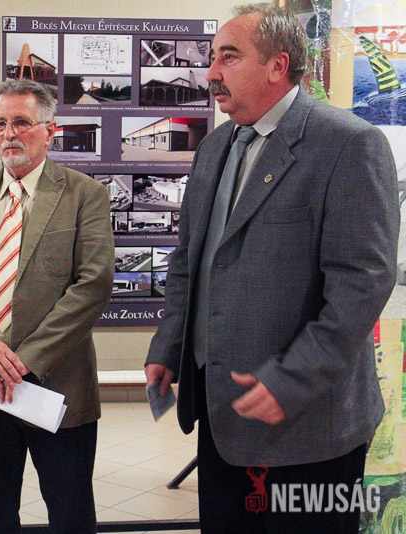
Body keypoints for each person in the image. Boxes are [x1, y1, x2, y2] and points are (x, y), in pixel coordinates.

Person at [145, 4, 398, 533]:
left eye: (229, 57)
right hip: (224, 417)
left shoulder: (348, 144)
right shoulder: (214, 148)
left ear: (278, 66)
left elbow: (361, 285)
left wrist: (293, 378)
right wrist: (169, 346)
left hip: (309, 426)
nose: (210, 73)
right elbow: (190, 258)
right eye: (213, 58)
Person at [0, 78, 114, 533]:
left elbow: (93, 284)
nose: (9, 134)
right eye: (0, 124)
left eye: (21, 122)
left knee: (70, 515)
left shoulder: (83, 194)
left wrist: (25, 360)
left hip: (57, 387)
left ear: (49, 130)